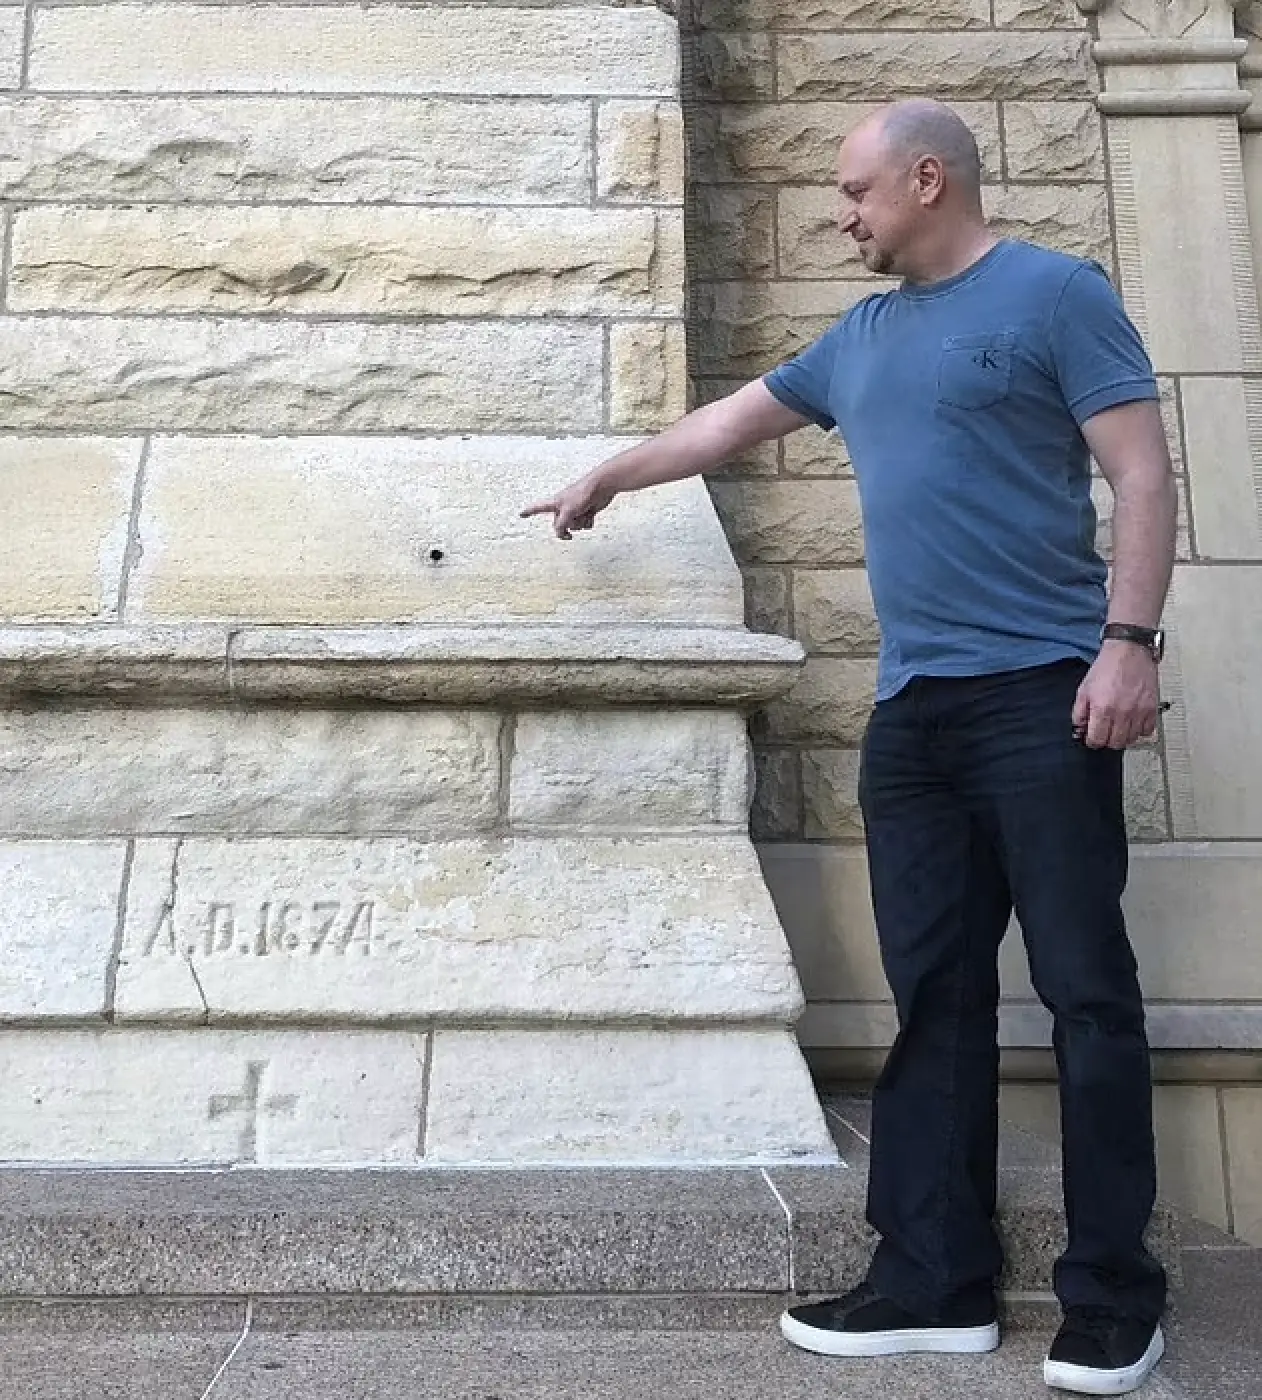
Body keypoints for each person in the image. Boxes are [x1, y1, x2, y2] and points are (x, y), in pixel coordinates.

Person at [521, 99, 1177, 1397]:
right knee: (933, 999)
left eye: (856, 190)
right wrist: (612, 473)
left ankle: (1113, 1299)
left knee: (1085, 993)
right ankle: (933, 1281)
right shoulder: (860, 339)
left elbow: (1143, 474)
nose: (841, 212)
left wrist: (1128, 643)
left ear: (927, 180)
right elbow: (725, 423)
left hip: (1045, 695)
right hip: (914, 715)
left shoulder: (1055, 296)